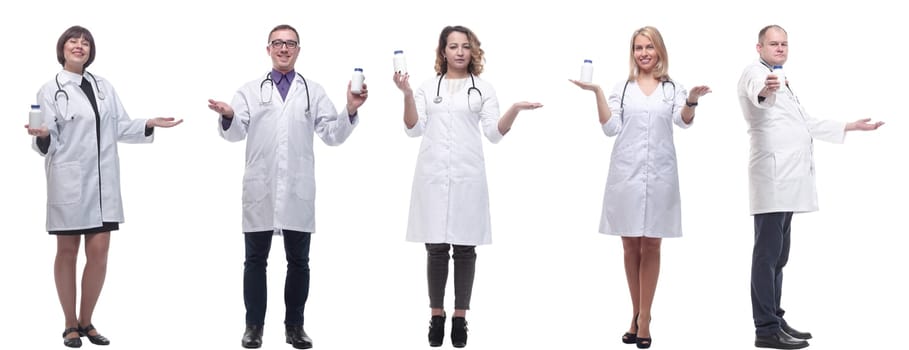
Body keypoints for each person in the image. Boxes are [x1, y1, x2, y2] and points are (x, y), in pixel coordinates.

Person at [207, 24, 367, 350]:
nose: (283, 48)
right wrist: (227, 115)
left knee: (299, 262)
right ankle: (254, 327)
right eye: (277, 43)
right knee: (255, 261)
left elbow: (332, 134)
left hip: (297, 190)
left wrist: (349, 109)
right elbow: (236, 131)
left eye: (290, 43)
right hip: (260, 189)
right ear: (268, 49)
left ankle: (295, 327)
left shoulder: (313, 91)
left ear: (298, 49)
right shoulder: (251, 90)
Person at [24, 25, 182, 348]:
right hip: (69, 184)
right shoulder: (50, 89)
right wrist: (42, 137)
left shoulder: (104, 87)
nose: (79, 46)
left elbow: (120, 126)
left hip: (102, 186)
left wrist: (149, 124)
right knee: (67, 252)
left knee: (99, 254)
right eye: (73, 41)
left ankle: (87, 321)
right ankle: (69, 324)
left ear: (90, 51)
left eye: (85, 43)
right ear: (62, 48)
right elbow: (47, 135)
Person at [392, 25, 542, 348]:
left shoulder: (483, 89)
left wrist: (514, 110)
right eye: (453, 46)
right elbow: (413, 128)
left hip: (467, 178)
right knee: (435, 248)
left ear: (472, 51)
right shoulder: (427, 87)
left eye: (465, 46)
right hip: (432, 177)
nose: (459, 52)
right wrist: (406, 95)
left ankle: (460, 319)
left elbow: (494, 133)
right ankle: (436, 316)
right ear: (442, 51)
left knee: (464, 249)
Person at [738, 25, 883, 350]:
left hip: (787, 180)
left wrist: (851, 126)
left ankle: (775, 317)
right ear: (759, 46)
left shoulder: (782, 78)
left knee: (779, 256)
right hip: (772, 177)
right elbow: (758, 93)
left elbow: (805, 122)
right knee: (766, 254)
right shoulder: (756, 74)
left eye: (784, 43)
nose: (780, 47)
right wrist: (768, 87)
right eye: (773, 43)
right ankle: (765, 329)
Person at [570, 26, 710, 349]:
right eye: (638, 48)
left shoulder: (672, 88)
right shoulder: (624, 88)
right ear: (632, 53)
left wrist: (691, 101)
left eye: (649, 47)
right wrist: (597, 92)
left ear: (659, 50)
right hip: (626, 176)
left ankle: (644, 318)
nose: (644, 53)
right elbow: (610, 128)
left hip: (660, 175)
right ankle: (635, 313)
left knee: (653, 246)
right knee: (630, 247)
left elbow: (683, 121)